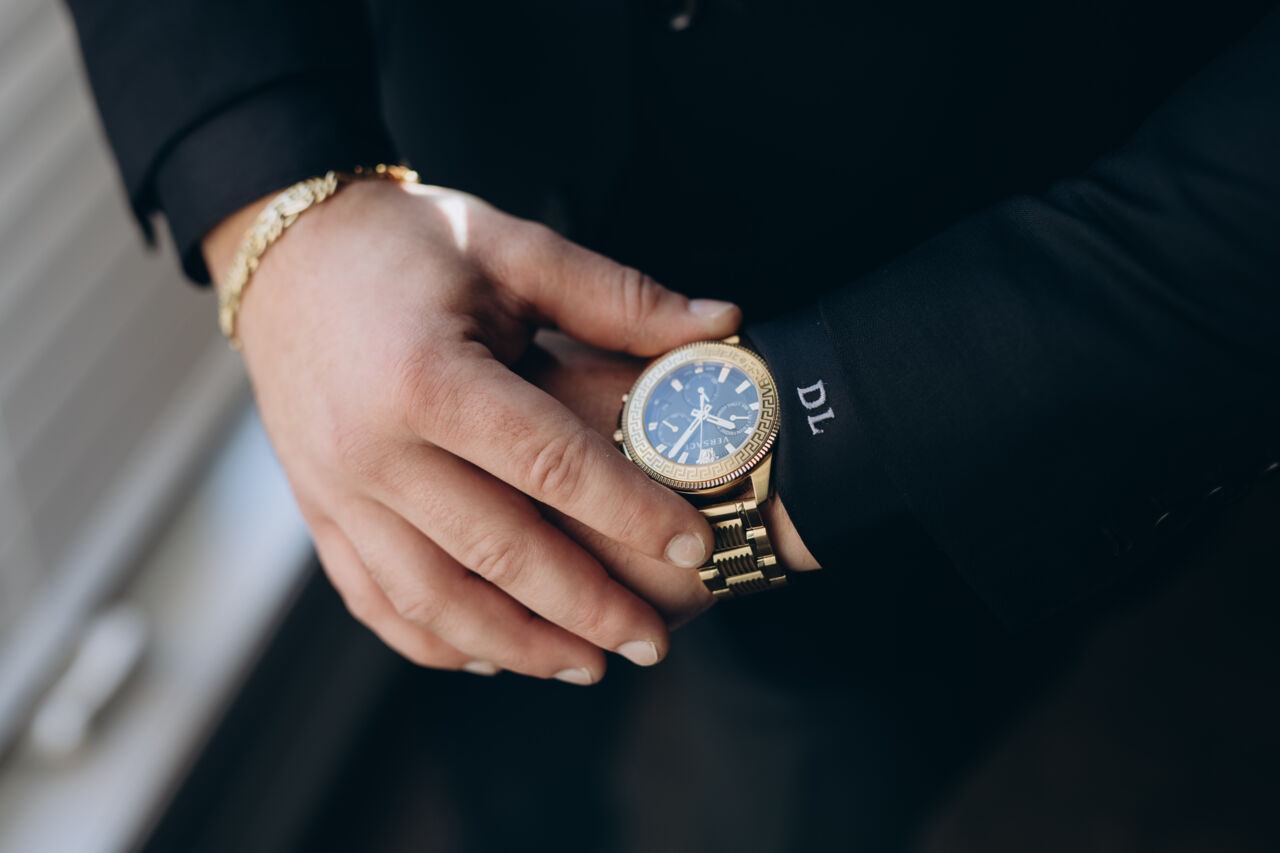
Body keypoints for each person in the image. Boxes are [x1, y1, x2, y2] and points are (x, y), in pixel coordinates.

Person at [67, 0, 1280, 847]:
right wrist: (280, 210)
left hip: (949, 382)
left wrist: (835, 422)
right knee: (488, 709)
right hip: (439, 251)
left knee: (807, 783)